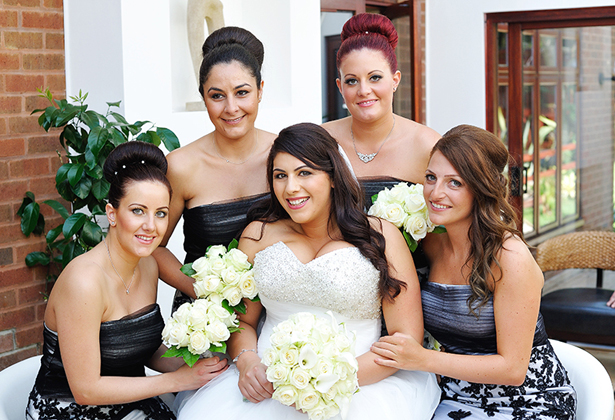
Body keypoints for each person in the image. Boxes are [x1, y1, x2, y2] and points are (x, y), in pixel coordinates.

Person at [174, 123, 440, 419]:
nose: (291, 188)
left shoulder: (382, 237)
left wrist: (326, 385)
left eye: (305, 173)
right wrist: (248, 361)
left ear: (333, 178)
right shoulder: (258, 235)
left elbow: (406, 339)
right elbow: (243, 323)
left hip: (361, 391)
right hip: (269, 388)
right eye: (280, 176)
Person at [371, 125, 577, 419]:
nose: (435, 192)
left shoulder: (509, 258)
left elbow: (513, 369)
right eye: (431, 178)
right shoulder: (428, 243)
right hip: (454, 396)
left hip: (528, 401)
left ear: (481, 189)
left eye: (454, 183)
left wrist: (422, 359)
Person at [25, 141, 228, 420]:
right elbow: (86, 389)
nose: (151, 226)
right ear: (112, 214)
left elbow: (140, 346)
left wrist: (195, 364)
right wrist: (177, 381)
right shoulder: (83, 282)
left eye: (160, 214)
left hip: (131, 401)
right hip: (69, 408)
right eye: (137, 211)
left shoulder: (149, 265)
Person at [153, 26, 277, 312]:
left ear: (260, 91)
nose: (231, 108)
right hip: (204, 318)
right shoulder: (181, 166)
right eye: (217, 96)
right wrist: (199, 289)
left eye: (242, 92)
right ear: (203, 97)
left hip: (276, 313)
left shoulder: (285, 157)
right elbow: (154, 246)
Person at [322, 13, 440, 203]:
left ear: (395, 80)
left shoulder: (428, 146)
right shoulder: (320, 142)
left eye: (374, 77)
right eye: (352, 81)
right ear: (340, 87)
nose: (364, 90)